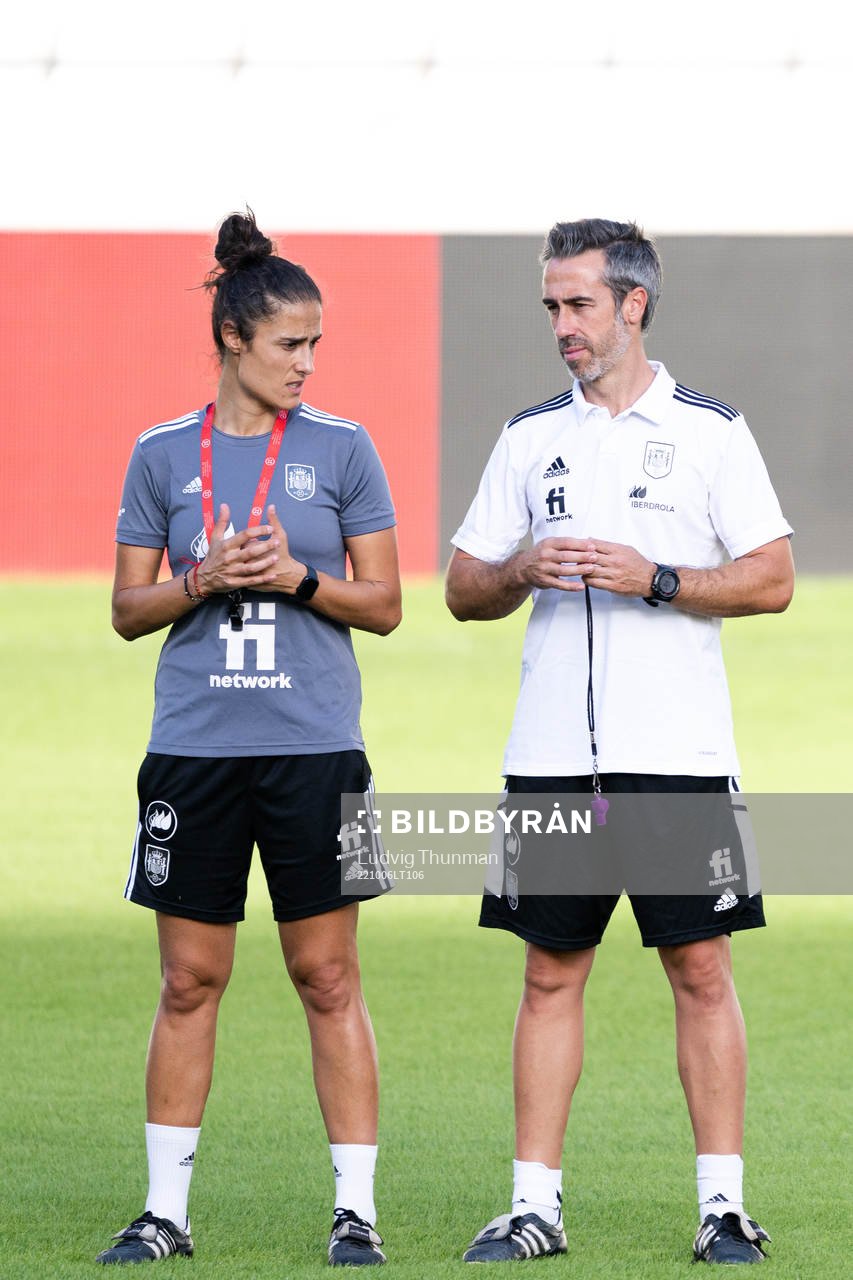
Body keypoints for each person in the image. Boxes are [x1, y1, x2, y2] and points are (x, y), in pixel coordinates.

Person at [445, 219, 794, 1267]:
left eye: (578, 304)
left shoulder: (711, 432)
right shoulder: (527, 437)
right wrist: (518, 571)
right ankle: (532, 1206)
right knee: (550, 973)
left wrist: (661, 579)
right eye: (550, 305)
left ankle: (723, 1206)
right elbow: (463, 585)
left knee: (699, 965)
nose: (561, 325)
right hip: (551, 753)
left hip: (679, 757)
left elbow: (771, 574)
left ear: (632, 303)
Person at [97, 211, 400, 1268]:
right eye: (288, 344)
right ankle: (163, 1212)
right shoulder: (159, 456)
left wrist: (298, 580)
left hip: (318, 749)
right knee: (188, 979)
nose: (307, 364)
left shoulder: (344, 447)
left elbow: (388, 602)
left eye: (316, 344)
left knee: (328, 974)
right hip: (195, 749)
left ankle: (354, 1211)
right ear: (232, 338)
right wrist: (204, 579)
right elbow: (130, 612)